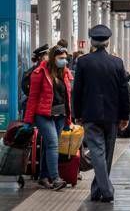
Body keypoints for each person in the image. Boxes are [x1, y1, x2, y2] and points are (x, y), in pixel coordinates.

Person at [73, 24, 130, 203]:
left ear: (92, 41)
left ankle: (99, 190)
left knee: (98, 153)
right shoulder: (117, 62)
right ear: (107, 42)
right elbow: (124, 92)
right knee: (106, 154)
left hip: (90, 114)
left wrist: (77, 114)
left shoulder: (82, 62)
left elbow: (77, 90)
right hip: (112, 117)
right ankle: (106, 190)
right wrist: (124, 116)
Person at [24, 45, 73, 191]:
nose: (64, 61)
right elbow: (32, 98)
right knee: (53, 144)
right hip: (43, 115)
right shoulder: (39, 73)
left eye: (65, 58)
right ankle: (56, 178)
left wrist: (69, 118)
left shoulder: (65, 73)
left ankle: (43, 177)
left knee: (48, 145)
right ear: (53, 58)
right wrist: (28, 120)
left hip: (59, 115)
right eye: (61, 58)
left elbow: (67, 97)